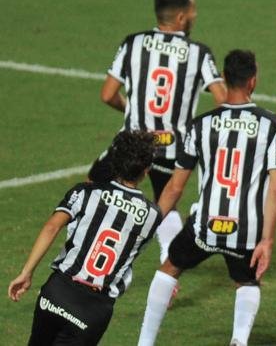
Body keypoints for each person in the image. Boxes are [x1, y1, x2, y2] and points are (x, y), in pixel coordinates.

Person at [136, 49, 276, 346]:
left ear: (225, 80)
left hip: (204, 224)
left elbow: (174, 188)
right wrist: (266, 240)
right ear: (253, 81)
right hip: (245, 230)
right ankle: (238, 341)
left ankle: (144, 342)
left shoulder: (200, 125)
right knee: (247, 281)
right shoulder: (270, 125)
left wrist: (146, 227)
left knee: (170, 269)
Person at [92, 0, 227, 264]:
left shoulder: (133, 43)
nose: (195, 15)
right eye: (192, 10)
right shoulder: (198, 53)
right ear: (180, 17)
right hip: (171, 147)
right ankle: (170, 263)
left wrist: (132, 110)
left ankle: (93, 250)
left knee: (93, 188)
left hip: (132, 141)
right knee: (166, 204)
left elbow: (107, 94)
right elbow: (222, 100)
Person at [8, 130, 162, 345]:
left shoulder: (85, 192)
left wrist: (26, 272)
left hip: (57, 291)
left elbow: (52, 227)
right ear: (146, 171)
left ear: (115, 161)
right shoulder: (153, 216)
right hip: (93, 309)